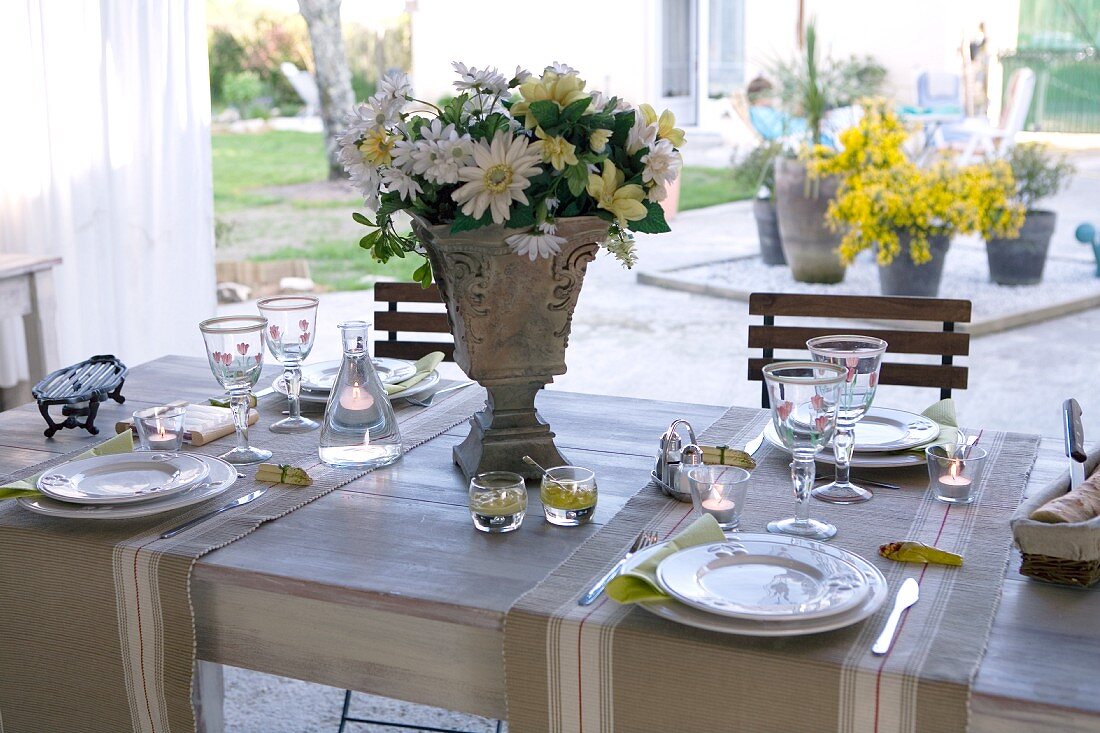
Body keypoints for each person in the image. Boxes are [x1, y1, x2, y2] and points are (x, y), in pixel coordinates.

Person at [745, 76, 807, 142]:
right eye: (769, 93)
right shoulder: (759, 112)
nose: (771, 97)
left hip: (798, 129)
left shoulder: (764, 110)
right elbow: (777, 132)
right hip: (795, 134)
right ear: (759, 95)